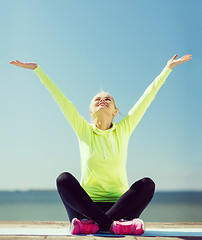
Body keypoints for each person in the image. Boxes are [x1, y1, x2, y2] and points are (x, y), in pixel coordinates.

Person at [9, 54, 192, 235]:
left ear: (114, 111)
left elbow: (148, 96)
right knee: (63, 179)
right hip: (86, 207)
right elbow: (61, 100)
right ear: (91, 112)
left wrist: (167, 69)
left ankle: (95, 225)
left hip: (120, 205)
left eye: (108, 99)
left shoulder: (124, 128)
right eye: (97, 100)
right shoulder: (83, 129)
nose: (102, 101)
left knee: (147, 184)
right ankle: (113, 225)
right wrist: (38, 70)